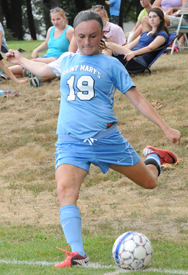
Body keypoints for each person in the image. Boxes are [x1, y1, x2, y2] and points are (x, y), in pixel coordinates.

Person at [6, 10, 181, 268]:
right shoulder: (66, 59)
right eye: (81, 36)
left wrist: (166, 127)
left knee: (150, 183)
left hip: (107, 141)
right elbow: (42, 68)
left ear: (101, 35)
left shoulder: (112, 65)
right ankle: (78, 255)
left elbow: (137, 100)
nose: (87, 41)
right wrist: (20, 58)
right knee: (65, 191)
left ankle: (154, 157)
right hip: (71, 143)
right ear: (74, 36)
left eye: (92, 36)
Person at [9, 7, 74, 86]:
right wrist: (36, 50)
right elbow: (46, 43)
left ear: (64, 18)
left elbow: (74, 50)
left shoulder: (70, 31)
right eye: (53, 20)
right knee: (27, 68)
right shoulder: (51, 29)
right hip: (47, 57)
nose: (55, 22)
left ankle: (7, 71)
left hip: (58, 59)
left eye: (58, 19)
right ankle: (5, 75)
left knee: (33, 62)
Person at [105, 8, 170, 73]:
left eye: (154, 17)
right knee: (107, 48)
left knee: (108, 44)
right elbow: (129, 46)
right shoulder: (145, 33)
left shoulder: (162, 34)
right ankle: (106, 70)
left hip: (138, 60)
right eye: (150, 17)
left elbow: (150, 48)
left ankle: (106, 70)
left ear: (161, 19)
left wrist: (134, 53)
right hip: (130, 56)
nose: (152, 19)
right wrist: (115, 51)